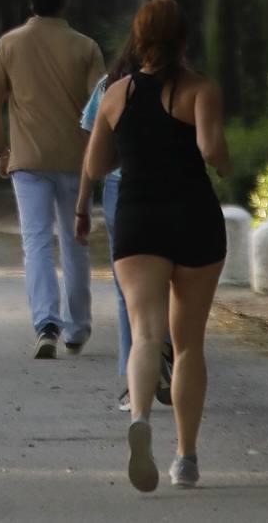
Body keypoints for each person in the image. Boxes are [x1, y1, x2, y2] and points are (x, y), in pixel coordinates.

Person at [81, 0, 231, 492]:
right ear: (183, 38)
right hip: (194, 219)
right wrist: (226, 163)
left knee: (145, 334)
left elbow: (95, 166)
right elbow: (210, 149)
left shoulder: (115, 93)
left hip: (139, 223)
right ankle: (186, 458)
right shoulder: (199, 90)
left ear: (138, 38)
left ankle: (140, 417)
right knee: (187, 343)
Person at [0, 0, 104, 359]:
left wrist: (3, 151)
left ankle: (45, 324)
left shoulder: (10, 44)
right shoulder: (85, 47)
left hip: (27, 160)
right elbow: (100, 107)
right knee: (75, 241)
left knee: (35, 241)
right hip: (76, 160)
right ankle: (78, 327)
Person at [74, 34, 174, 413]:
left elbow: (91, 154)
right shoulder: (183, 86)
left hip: (124, 194)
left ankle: (134, 379)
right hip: (173, 192)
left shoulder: (110, 88)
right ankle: (162, 353)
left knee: (126, 289)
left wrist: (82, 204)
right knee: (169, 280)